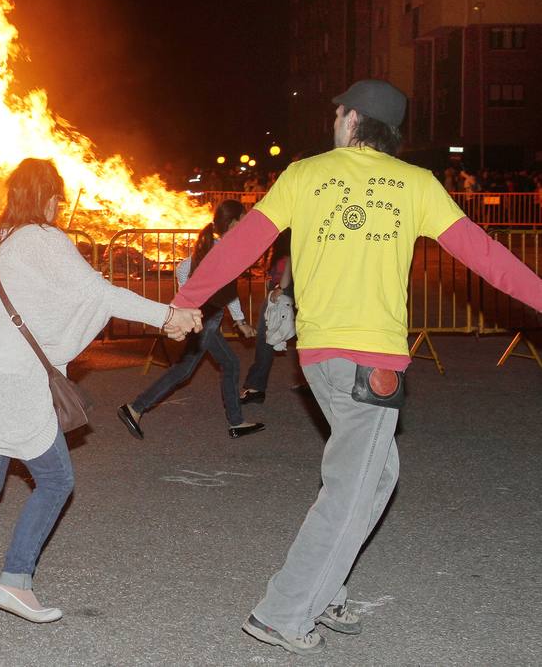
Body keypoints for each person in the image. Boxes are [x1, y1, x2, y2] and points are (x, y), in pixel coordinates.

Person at [172, 79, 542, 655]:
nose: (334, 120)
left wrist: (187, 299)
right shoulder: (418, 185)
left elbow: (240, 245)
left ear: (350, 120)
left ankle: (324, 592)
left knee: (378, 474)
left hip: (320, 358)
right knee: (352, 487)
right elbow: (488, 258)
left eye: (337, 112)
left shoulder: (303, 175)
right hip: (370, 364)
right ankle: (284, 612)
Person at [0, 159, 201, 622]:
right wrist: (168, 315)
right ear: (48, 197)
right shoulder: (46, 240)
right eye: (56, 196)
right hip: (14, 387)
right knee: (56, 481)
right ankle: (15, 582)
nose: (58, 204)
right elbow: (100, 294)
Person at [116, 200, 263, 439]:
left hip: (206, 317)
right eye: (245, 218)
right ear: (235, 222)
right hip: (205, 317)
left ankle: (236, 421)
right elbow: (226, 290)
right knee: (187, 370)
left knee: (227, 364)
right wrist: (196, 301)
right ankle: (135, 407)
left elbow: (185, 270)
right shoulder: (224, 249)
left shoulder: (215, 245)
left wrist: (193, 296)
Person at [239, 229, 294, 404]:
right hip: (285, 293)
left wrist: (282, 287)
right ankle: (312, 381)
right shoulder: (282, 249)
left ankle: (255, 387)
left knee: (265, 340)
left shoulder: (290, 248)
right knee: (305, 338)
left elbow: (290, 268)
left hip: (281, 295)